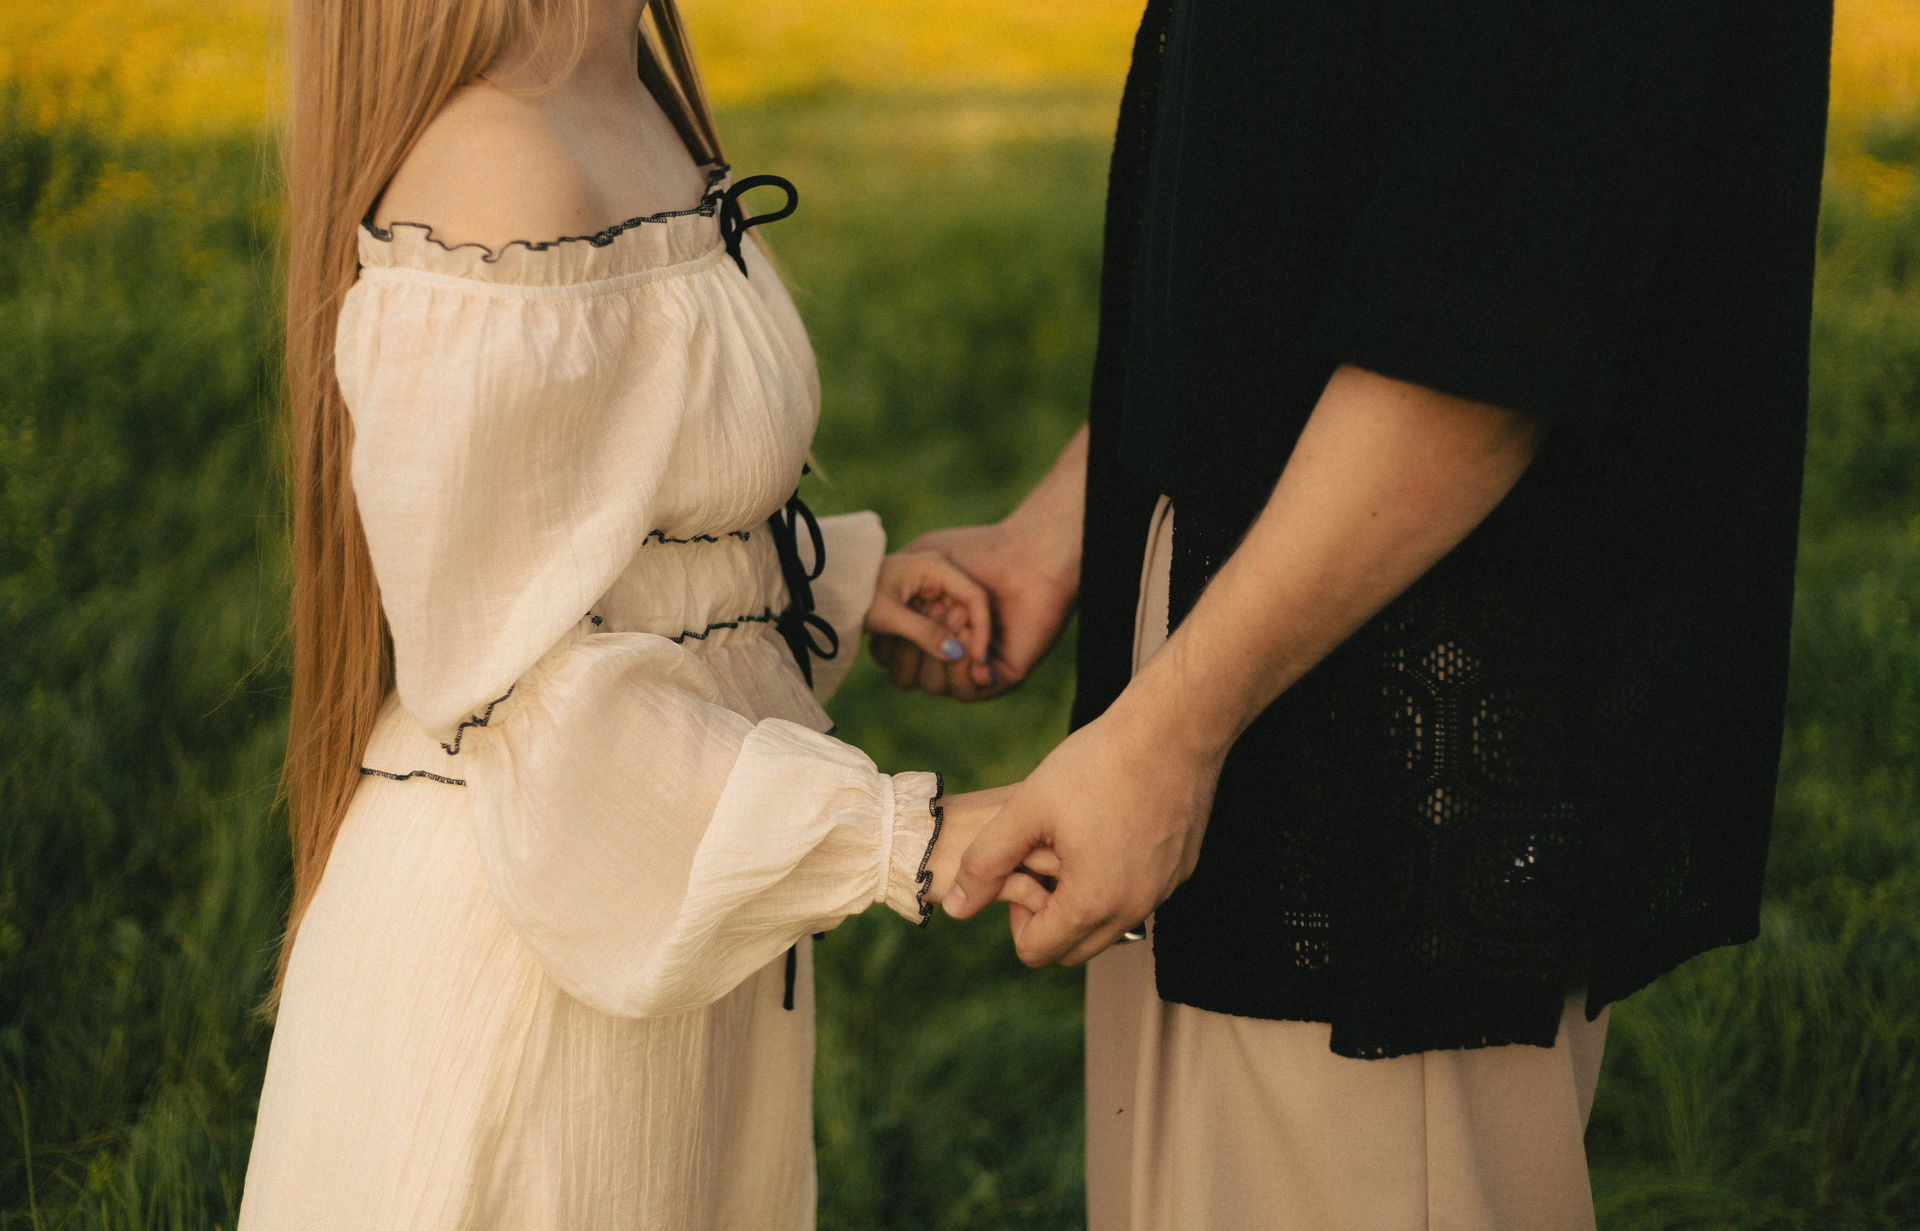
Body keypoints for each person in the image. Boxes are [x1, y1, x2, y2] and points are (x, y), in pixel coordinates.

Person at [878, 0, 1836, 1226]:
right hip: (1240, 625)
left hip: (1396, 700)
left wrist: (1172, 730)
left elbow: (1496, 296)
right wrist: (1071, 523)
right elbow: (1291, 166)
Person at [240, 0, 1040, 1224]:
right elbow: (528, 696)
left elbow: (628, 537)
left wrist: (837, 585)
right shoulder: (499, 167)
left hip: (640, 904)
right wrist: (902, 834)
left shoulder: (620, 88)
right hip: (535, 958)